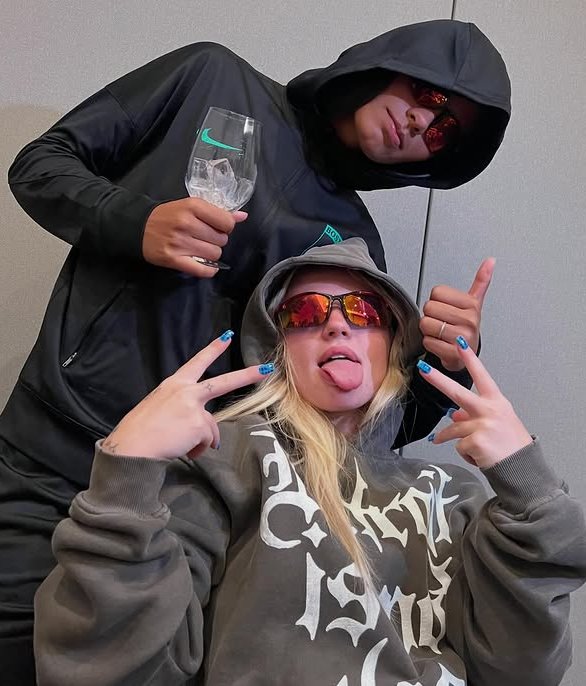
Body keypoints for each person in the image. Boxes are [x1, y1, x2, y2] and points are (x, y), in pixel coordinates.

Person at [2, 19, 510, 682]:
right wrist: (137, 222)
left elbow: (361, 427)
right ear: (386, 64)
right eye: (427, 93)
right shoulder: (210, 78)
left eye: (443, 131)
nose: (421, 122)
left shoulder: (353, 241)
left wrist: (447, 359)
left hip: (203, 508)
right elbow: (40, 165)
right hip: (57, 451)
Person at [33, 238, 586, 686]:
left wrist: (530, 488)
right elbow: (108, 669)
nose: (337, 325)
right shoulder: (224, 458)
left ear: (393, 343)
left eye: (363, 311)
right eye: (305, 312)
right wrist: (127, 474)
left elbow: (520, 672)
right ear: (276, 348)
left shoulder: (454, 492)